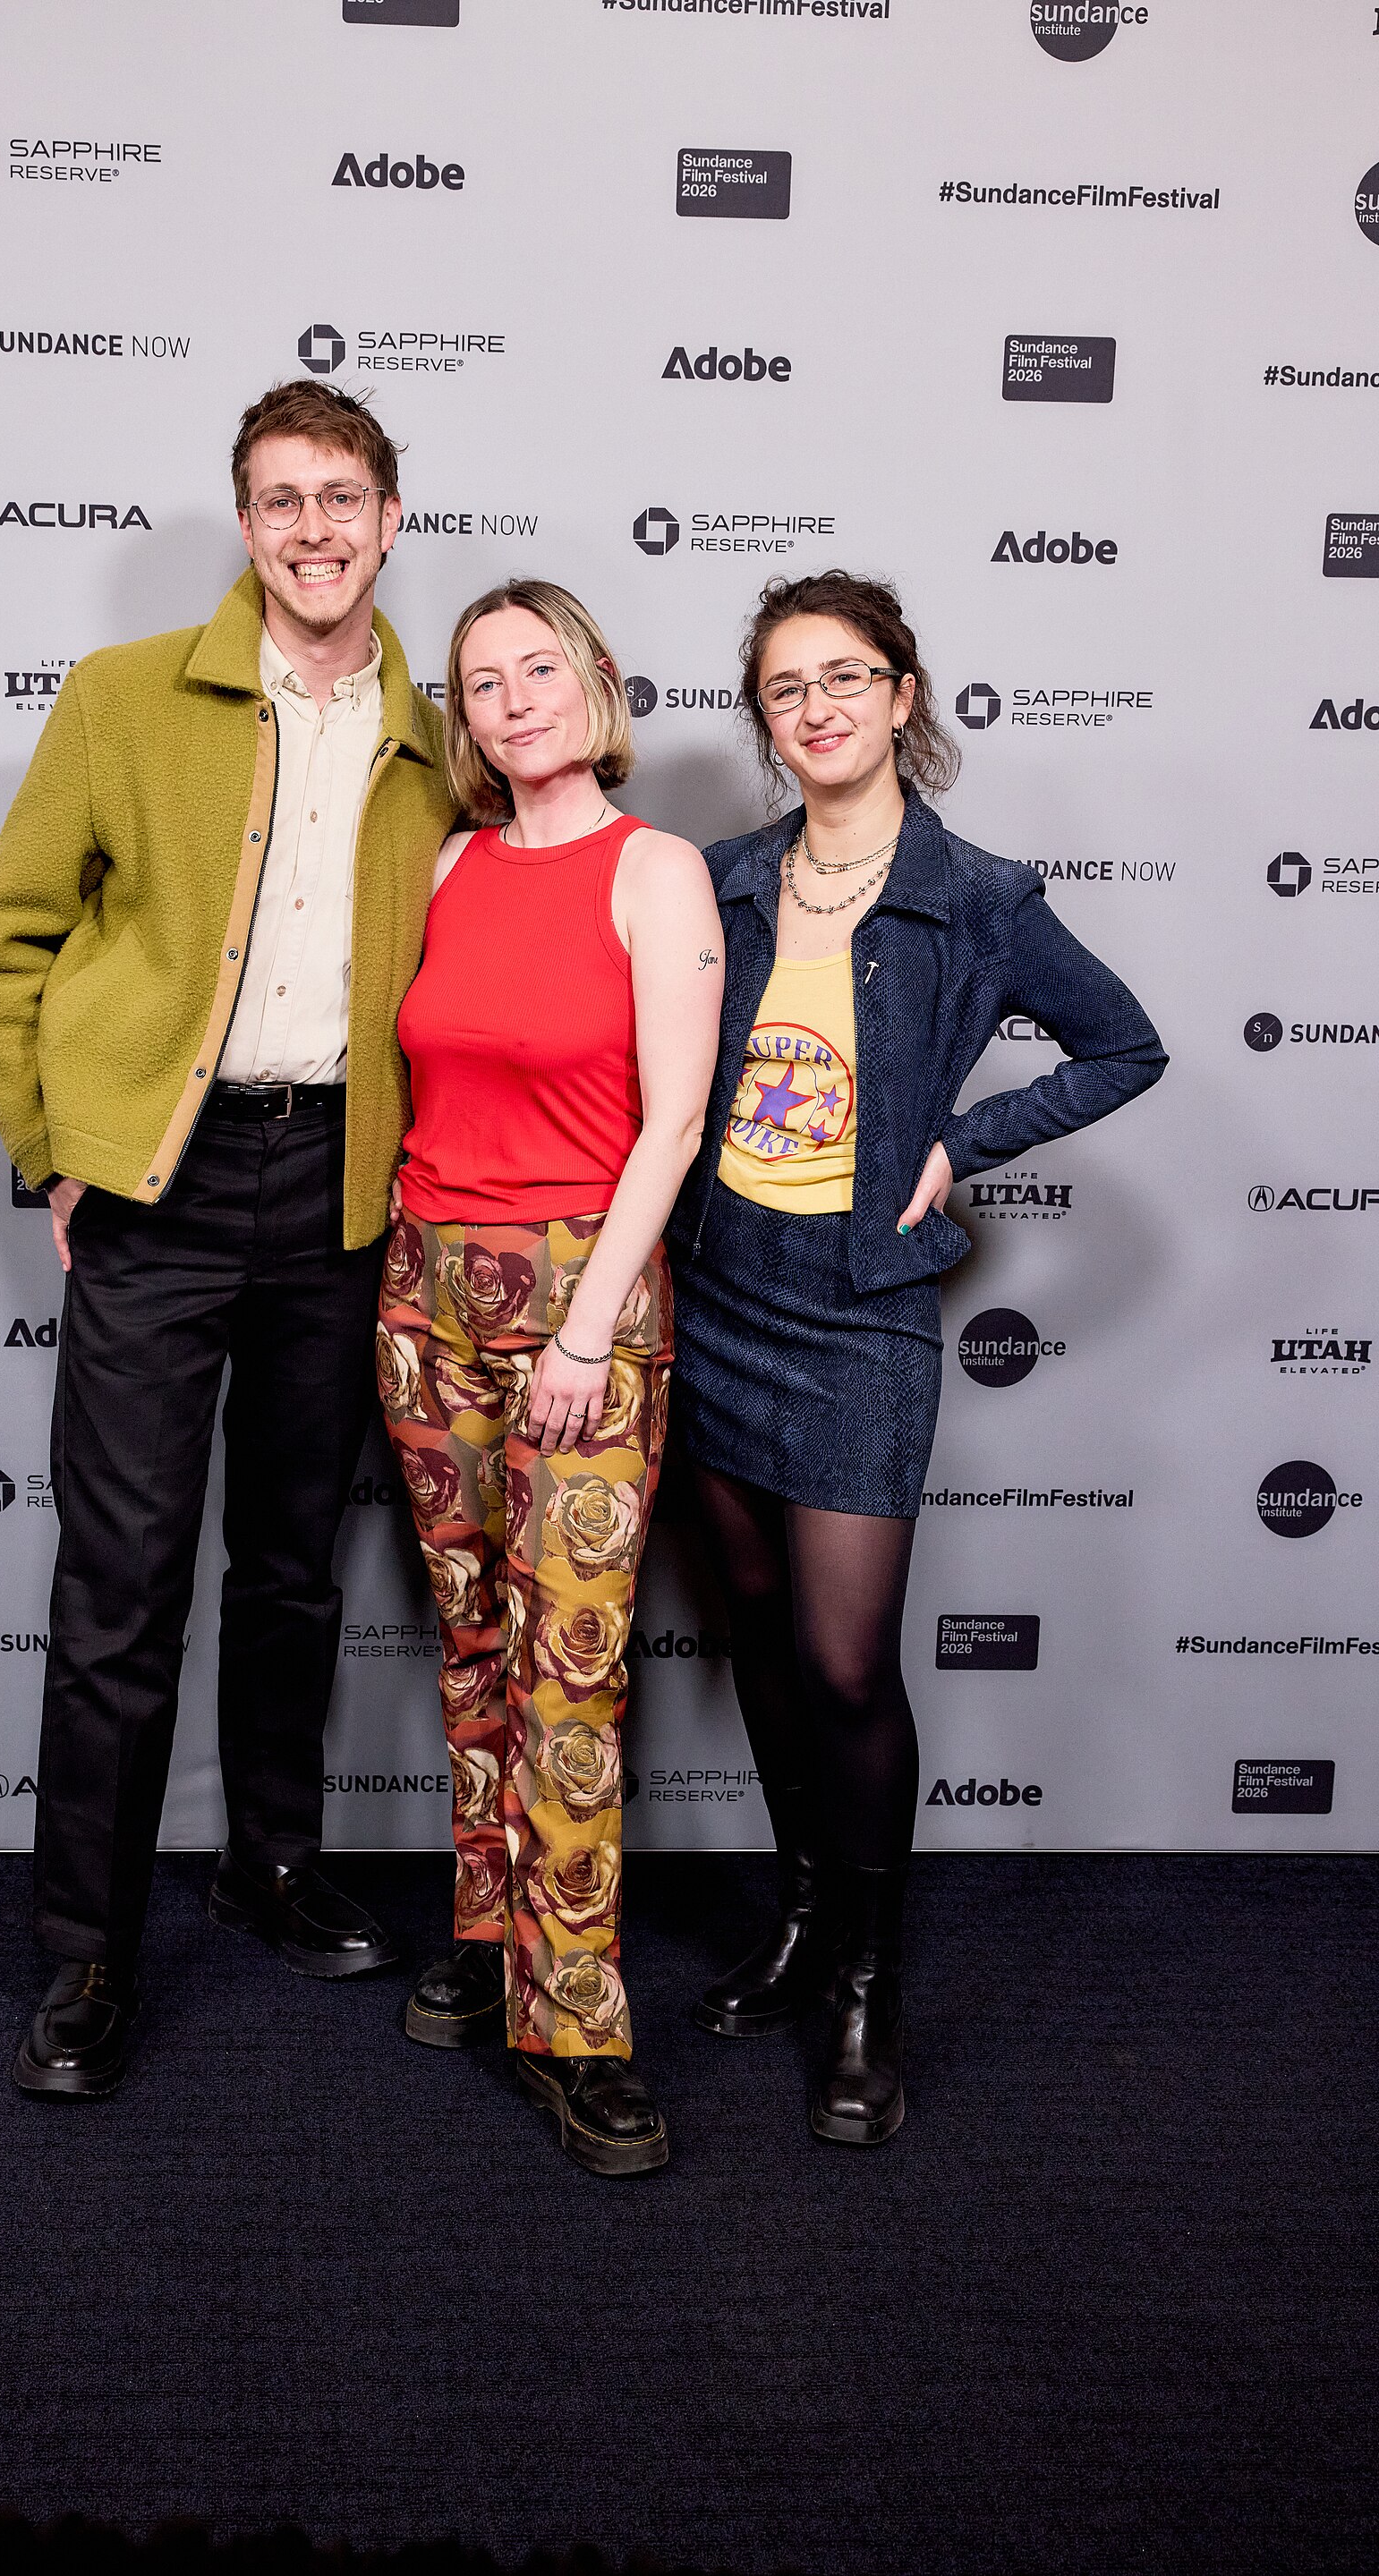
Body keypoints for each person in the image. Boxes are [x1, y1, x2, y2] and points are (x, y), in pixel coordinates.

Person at [0, 379, 456, 2100]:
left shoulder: (440, 733)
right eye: (277, 500)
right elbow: (7, 942)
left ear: (394, 517)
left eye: (341, 497)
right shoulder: (123, 700)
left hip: (340, 1193)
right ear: (244, 526)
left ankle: (271, 1861)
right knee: (121, 1587)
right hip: (159, 1196)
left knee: (297, 1567)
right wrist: (58, 1150)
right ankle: (88, 1952)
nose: (313, 528)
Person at [670, 571, 1167, 2145]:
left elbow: (1125, 1045)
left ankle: (870, 1984)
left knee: (841, 1662)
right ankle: (807, 1912)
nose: (815, 708)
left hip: (864, 1314)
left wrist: (963, 1141)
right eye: (784, 689)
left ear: (903, 694)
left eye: (844, 677)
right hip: (716, 1289)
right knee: (750, 1633)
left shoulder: (983, 896)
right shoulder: (723, 879)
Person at [377, 581, 723, 2176]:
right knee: (467, 1644)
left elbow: (672, 1125)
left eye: (539, 670)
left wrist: (589, 1329)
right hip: (422, 1301)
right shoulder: (447, 865)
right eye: (480, 684)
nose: (513, 702)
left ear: (594, 685)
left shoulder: (657, 874)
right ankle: (489, 1930)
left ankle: (575, 2021)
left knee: (566, 1663)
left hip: (585, 1315)